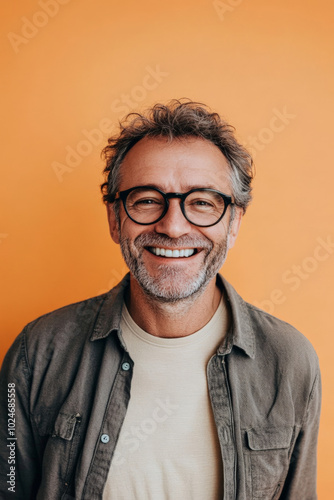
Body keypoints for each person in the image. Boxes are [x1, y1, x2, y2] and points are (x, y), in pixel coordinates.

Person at [0, 100, 321, 500]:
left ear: (234, 223)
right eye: (147, 199)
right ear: (115, 219)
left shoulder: (290, 360)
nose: (172, 226)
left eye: (203, 202)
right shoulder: (37, 353)